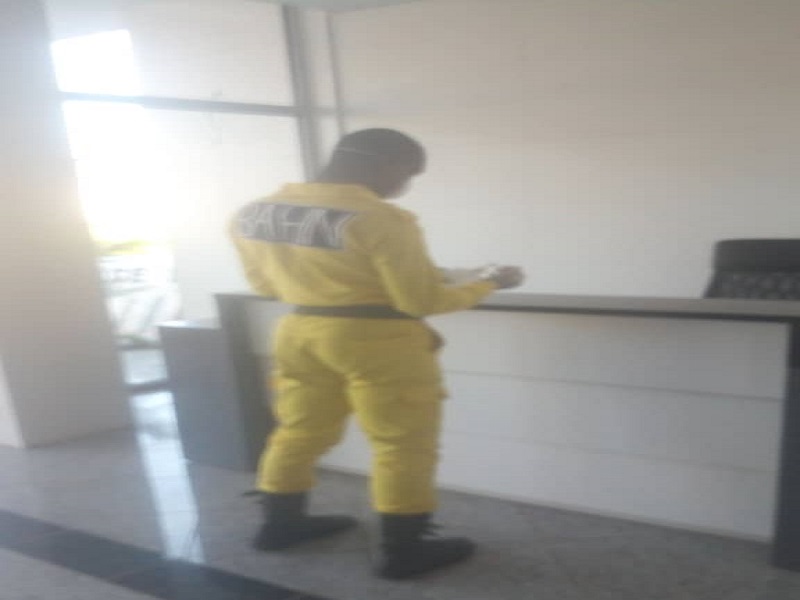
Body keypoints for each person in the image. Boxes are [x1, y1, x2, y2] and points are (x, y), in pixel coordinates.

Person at [230, 128, 524, 579]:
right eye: (408, 174)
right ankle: (404, 550)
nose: (405, 185)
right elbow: (420, 301)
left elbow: (264, 285)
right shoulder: (381, 217)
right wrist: (490, 283)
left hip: (300, 333)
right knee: (401, 444)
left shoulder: (252, 213)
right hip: (380, 343)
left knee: (299, 431)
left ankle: (279, 525)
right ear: (386, 163)